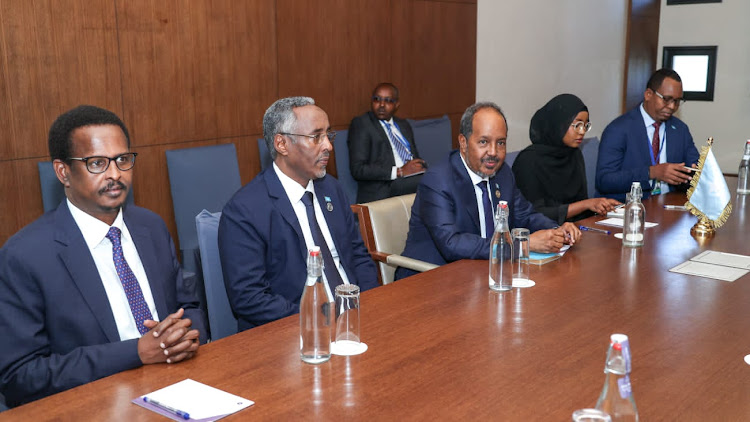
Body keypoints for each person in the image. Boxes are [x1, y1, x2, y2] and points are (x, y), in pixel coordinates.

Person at [0, 105, 206, 408]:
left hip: (177, 387)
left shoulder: (151, 226)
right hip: (91, 405)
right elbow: (20, 376)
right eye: (97, 163)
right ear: (63, 172)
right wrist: (135, 352)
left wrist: (181, 334)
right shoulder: (24, 256)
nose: (114, 174)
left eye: (123, 159)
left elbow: (189, 306)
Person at [219, 97, 379, 331]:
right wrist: (322, 317)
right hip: (294, 332)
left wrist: (372, 305)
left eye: (328, 135)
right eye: (316, 137)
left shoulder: (332, 189)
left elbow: (358, 255)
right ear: (282, 144)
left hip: (356, 320)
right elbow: (249, 298)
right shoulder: (244, 210)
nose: (328, 146)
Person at [394, 102, 581, 281]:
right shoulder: (438, 180)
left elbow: (526, 215)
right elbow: (452, 244)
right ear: (463, 143)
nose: (493, 152)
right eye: (483, 142)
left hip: (484, 273)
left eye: (500, 143)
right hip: (431, 279)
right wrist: (522, 245)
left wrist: (556, 231)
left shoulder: (503, 173)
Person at [512, 94, 621, 224]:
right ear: (558, 124)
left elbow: (581, 205)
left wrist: (601, 206)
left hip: (576, 230)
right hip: (542, 233)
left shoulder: (574, 154)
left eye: (585, 125)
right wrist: (586, 204)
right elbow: (533, 214)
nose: (582, 131)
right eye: (577, 125)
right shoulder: (528, 161)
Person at [596, 68, 699, 201]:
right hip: (629, 208)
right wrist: (651, 173)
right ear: (648, 94)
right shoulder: (618, 129)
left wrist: (694, 173)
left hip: (669, 206)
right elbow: (605, 180)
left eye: (677, 101)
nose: (672, 106)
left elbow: (694, 165)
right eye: (667, 99)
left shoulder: (680, 129)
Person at [348, 82, 427, 203]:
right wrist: (399, 171)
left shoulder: (403, 125)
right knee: (432, 180)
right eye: (377, 99)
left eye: (388, 100)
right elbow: (358, 169)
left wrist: (419, 167)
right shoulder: (362, 124)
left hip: (409, 180)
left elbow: (414, 157)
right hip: (383, 187)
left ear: (396, 105)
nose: (381, 105)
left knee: (439, 175)